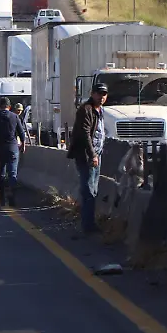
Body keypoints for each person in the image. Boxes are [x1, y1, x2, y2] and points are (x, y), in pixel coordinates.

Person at [67, 82, 108, 234]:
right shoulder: (86, 110)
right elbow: (85, 134)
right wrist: (92, 155)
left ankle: (89, 223)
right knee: (88, 190)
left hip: (97, 154)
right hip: (87, 156)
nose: (101, 97)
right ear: (92, 94)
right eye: (98, 93)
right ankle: (87, 225)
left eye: (104, 94)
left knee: (94, 190)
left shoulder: (100, 110)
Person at [0, 96, 28, 206]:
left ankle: (1, 199)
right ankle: (12, 198)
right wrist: (23, 144)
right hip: (12, 148)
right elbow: (21, 132)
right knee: (12, 174)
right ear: (9, 106)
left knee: (1, 175)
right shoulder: (14, 117)